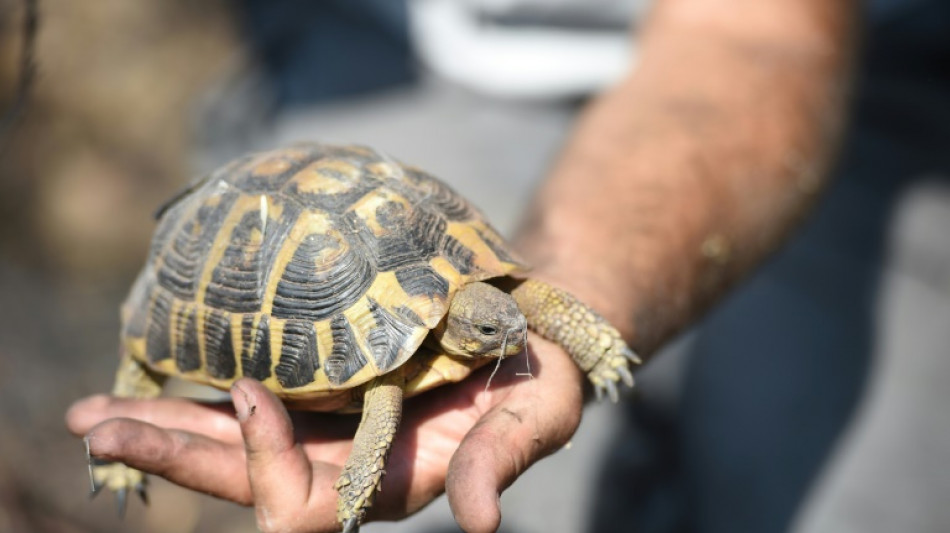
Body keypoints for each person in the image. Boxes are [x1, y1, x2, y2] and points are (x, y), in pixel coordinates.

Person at [66, 1, 863, 532]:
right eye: (488, 324)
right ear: (452, 321)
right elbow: (383, 393)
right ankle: (140, 375)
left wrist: (590, 337)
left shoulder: (493, 311)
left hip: (813, 69)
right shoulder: (395, 368)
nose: (507, 325)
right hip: (386, 43)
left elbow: (759, 36)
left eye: (497, 317)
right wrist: (361, 478)